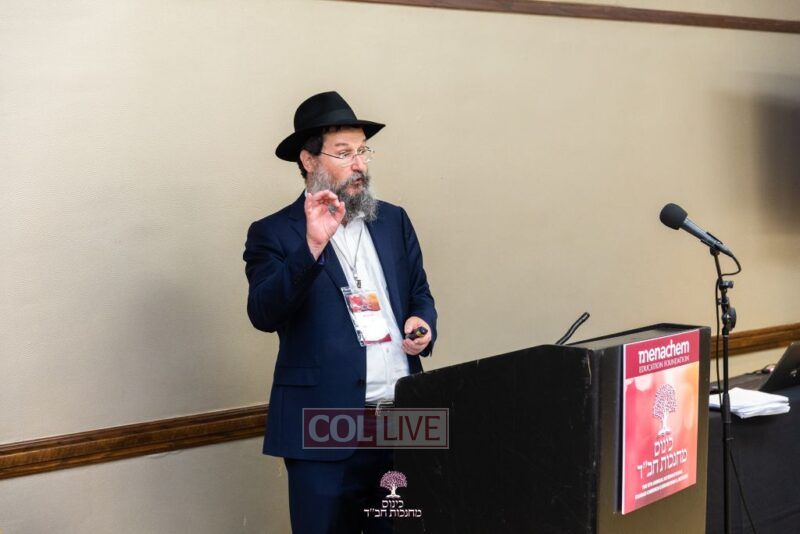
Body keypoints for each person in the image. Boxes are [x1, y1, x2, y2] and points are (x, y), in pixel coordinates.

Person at [243, 91, 438, 533]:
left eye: (363, 151)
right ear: (309, 160)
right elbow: (263, 313)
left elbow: (419, 294)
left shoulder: (393, 221)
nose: (359, 164)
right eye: (345, 153)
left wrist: (423, 323)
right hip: (324, 425)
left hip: (402, 422)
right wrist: (312, 246)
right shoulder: (274, 233)